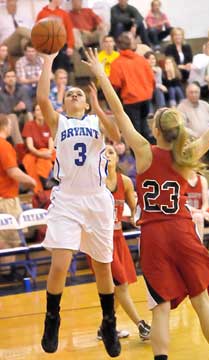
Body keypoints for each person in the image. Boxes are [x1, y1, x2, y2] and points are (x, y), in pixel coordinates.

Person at [83, 48, 209, 360]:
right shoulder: (189, 155)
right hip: (184, 232)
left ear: (156, 130)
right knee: (201, 301)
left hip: (155, 238)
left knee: (160, 308)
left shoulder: (144, 151)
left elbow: (118, 112)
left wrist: (102, 76)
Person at [36, 51, 122, 357]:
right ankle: (52, 318)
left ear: (84, 102)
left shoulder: (95, 120)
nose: (74, 94)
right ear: (65, 103)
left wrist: (98, 106)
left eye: (78, 93)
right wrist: (48, 60)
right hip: (67, 199)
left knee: (103, 268)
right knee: (60, 264)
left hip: (97, 199)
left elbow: (116, 133)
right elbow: (43, 100)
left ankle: (109, 322)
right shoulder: (58, 122)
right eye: (69, 93)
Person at [95, 144, 150, 341]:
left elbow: (135, 211)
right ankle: (141, 325)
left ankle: (105, 327)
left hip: (118, 239)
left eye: (110, 152)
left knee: (117, 288)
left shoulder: (125, 181)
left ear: (117, 158)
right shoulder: (94, 182)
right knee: (122, 286)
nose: (107, 155)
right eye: (102, 153)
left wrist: (142, 223)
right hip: (100, 241)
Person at [0, 113, 36, 279]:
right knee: (10, 239)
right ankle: (6, 273)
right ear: (6, 126)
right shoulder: (4, 145)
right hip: (5, 198)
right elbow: (12, 171)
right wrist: (31, 181)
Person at [109, 32, 154, 140]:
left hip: (131, 100)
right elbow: (152, 79)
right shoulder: (141, 59)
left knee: (135, 132)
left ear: (118, 46)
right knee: (145, 128)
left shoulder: (117, 63)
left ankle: (138, 156)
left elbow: (115, 85)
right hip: (146, 98)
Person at [22, 104, 56, 193]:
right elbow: (30, 146)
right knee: (28, 160)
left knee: (47, 154)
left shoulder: (49, 124)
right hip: (34, 153)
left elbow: (51, 145)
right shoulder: (29, 125)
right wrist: (41, 154)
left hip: (48, 153)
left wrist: (47, 153)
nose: (40, 112)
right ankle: (39, 189)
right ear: (33, 113)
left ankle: (45, 180)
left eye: (42, 110)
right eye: (37, 110)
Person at [36, 0, 74, 72]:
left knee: (63, 67)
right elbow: (37, 32)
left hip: (61, 46)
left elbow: (69, 31)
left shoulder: (64, 14)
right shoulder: (42, 14)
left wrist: (70, 46)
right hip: (47, 46)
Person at [186, 170, 209, 252]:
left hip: (202, 210)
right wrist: (199, 212)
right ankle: (200, 250)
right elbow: (185, 204)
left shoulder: (202, 179)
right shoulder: (182, 179)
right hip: (189, 212)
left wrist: (203, 210)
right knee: (198, 217)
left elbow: (206, 203)